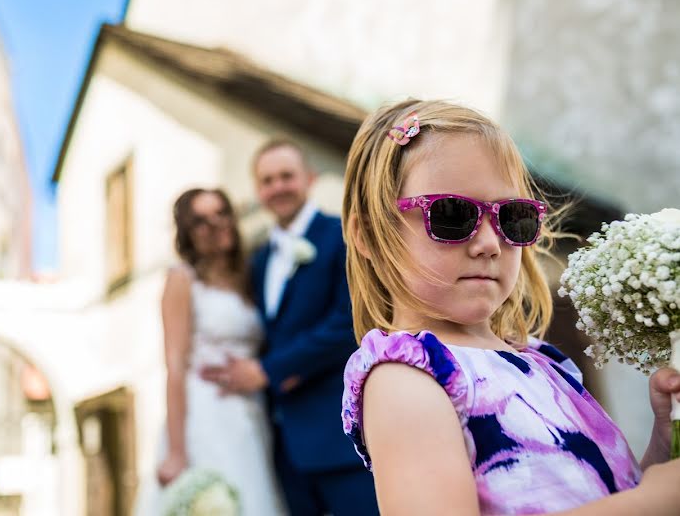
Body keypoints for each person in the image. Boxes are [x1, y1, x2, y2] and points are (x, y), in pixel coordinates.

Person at [339, 99, 680, 515]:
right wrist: (653, 501)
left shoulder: (540, 361)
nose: (487, 243)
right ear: (369, 233)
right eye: (452, 214)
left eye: (512, 216)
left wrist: (662, 451)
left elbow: (597, 496)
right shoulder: (406, 380)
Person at [202, 140, 377, 515]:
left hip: (338, 437)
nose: (277, 186)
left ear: (309, 179)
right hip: (280, 448)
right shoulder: (259, 259)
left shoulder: (343, 237)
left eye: (286, 176)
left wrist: (267, 371)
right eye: (267, 180)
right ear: (257, 191)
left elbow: (349, 323)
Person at [140, 188, 287, 515]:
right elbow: (175, 366)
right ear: (188, 233)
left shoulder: (247, 277)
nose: (217, 224)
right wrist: (177, 451)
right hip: (206, 415)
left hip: (251, 415)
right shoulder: (182, 279)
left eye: (222, 213)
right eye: (202, 221)